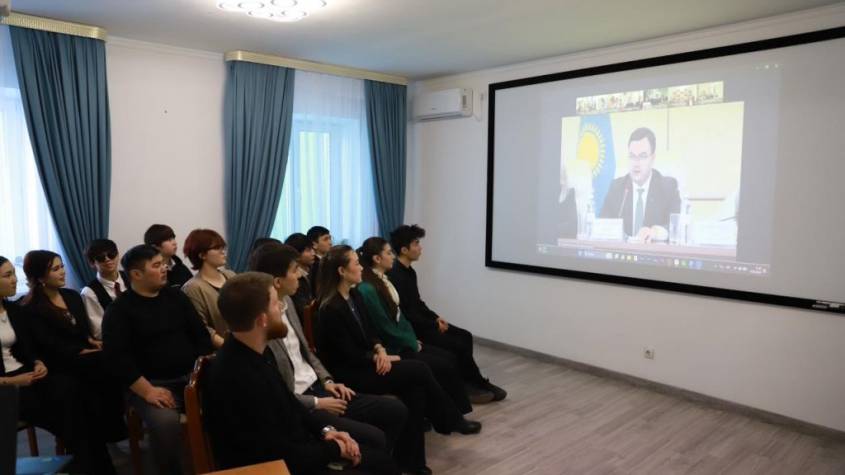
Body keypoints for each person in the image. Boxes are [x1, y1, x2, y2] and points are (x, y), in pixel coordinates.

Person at [204, 272, 399, 475]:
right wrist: (334, 449)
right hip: (274, 468)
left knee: (380, 458)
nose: (282, 307)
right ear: (262, 320)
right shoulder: (237, 376)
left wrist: (327, 431)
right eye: (275, 304)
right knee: (381, 465)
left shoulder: (254, 352)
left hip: (297, 450)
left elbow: (291, 404)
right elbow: (276, 453)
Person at [316, 245, 482, 475]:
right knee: (419, 369)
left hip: (370, 362)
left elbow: (371, 333)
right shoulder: (330, 309)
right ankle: (449, 420)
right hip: (351, 373)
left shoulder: (354, 295)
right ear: (342, 271)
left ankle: (413, 463)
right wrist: (377, 357)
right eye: (355, 263)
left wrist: (380, 349)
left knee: (415, 390)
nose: (361, 267)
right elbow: (346, 354)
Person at [248, 243, 407, 459]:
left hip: (320, 388)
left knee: (396, 410)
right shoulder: (262, 324)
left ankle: (387, 461)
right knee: (374, 436)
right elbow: (280, 394)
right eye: (295, 270)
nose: (300, 275)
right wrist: (317, 403)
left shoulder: (288, 304)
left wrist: (328, 380)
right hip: (304, 401)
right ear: (277, 281)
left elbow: (308, 353)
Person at [102, 244, 214, 474]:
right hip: (152, 384)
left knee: (234, 400)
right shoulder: (119, 311)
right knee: (165, 424)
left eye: (163, 263)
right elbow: (117, 359)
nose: (164, 268)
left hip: (194, 377)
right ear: (136, 274)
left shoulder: (176, 296)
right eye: (156, 265)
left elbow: (201, 337)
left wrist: (200, 373)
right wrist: (147, 391)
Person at [0, 256, 115, 474]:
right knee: (73, 413)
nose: (15, 279)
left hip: (28, 375)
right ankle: (92, 467)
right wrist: (14, 380)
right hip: (7, 388)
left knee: (78, 398)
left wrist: (37, 362)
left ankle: (93, 466)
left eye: (13, 273)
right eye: (7, 275)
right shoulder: (28, 307)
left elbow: (28, 348)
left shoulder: (13, 310)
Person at [387, 225, 507, 402]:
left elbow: (418, 303)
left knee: (465, 336)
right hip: (414, 329)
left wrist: (436, 318)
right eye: (416, 243)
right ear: (404, 250)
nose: (420, 248)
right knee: (456, 345)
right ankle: (470, 384)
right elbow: (407, 313)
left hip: (424, 322)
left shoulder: (409, 272)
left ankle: (471, 381)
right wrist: (433, 324)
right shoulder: (395, 275)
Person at [356, 237, 473, 414]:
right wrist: (410, 342)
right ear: (377, 259)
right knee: (443, 364)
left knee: (449, 357)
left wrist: (412, 339)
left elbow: (400, 316)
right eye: (389, 253)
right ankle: (452, 415)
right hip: (394, 346)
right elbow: (383, 326)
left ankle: (456, 412)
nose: (393, 256)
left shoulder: (383, 279)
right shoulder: (368, 288)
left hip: (404, 340)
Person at [20, 250, 127, 443]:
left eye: (62, 266)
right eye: (55, 269)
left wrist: (90, 341)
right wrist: (81, 350)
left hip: (84, 355)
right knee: (105, 364)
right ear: (40, 276)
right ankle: (110, 430)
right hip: (58, 360)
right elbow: (47, 343)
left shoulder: (71, 296)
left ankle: (110, 427)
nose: (63, 272)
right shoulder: (31, 307)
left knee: (111, 359)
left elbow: (82, 330)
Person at [599, 127, 681, 241]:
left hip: (652, 252)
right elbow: (602, 225)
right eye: (632, 156)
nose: (636, 163)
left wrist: (655, 232)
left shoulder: (668, 188)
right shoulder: (617, 187)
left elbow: (676, 226)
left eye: (642, 156)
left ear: (652, 158)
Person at [181, 229, 235, 348]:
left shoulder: (231, 275)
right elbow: (202, 328)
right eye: (217, 248)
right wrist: (229, 348)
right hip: (222, 350)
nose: (223, 252)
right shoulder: (192, 288)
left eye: (222, 247)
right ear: (202, 255)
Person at [80, 239, 127, 340]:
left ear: (118, 255)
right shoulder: (89, 292)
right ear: (92, 263)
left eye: (111, 254)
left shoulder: (132, 277)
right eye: (101, 258)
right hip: (117, 340)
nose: (107, 259)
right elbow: (99, 331)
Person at [144, 223, 193, 288]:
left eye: (173, 238)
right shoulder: (151, 273)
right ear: (155, 247)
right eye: (169, 240)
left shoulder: (181, 267)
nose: (174, 243)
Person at [284, 232, 317, 321]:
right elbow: (303, 310)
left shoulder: (312, 271)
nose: (313, 253)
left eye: (312, 249)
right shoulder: (294, 279)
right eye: (308, 250)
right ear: (296, 253)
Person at [307, 226, 332, 290]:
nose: (330, 243)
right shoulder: (315, 264)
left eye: (330, 238)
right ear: (314, 244)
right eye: (325, 239)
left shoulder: (328, 260)